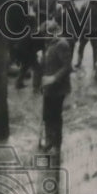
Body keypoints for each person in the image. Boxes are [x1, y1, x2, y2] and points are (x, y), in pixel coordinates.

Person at [40, 19, 72, 154]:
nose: (44, 37)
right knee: (46, 115)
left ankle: (56, 143)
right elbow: (48, 64)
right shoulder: (49, 45)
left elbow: (67, 67)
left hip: (58, 88)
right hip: (48, 87)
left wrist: (54, 78)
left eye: (46, 34)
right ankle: (48, 140)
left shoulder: (62, 44)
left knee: (55, 116)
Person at [73, 0, 97, 71]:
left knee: (82, 47)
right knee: (94, 48)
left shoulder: (85, 6)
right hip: (93, 30)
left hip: (87, 30)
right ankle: (95, 64)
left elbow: (79, 18)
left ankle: (79, 63)